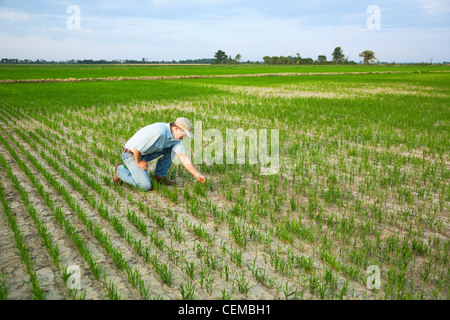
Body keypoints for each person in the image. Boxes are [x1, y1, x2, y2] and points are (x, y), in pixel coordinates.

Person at [114, 117, 206, 191]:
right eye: (184, 134)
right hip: (131, 154)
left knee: (172, 149)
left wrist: (198, 175)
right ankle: (120, 171)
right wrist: (139, 162)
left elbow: (183, 157)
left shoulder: (176, 139)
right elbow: (136, 148)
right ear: (177, 128)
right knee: (145, 186)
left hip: (146, 153)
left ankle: (159, 176)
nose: (184, 137)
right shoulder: (159, 131)